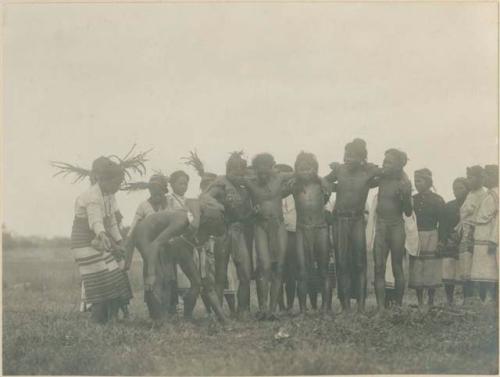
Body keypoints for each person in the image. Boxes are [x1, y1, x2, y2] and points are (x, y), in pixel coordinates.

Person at [131, 197, 229, 325]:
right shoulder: (185, 221)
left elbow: (208, 285)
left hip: (175, 243)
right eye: (208, 233)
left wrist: (224, 320)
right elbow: (156, 244)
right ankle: (158, 319)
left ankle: (187, 317)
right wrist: (151, 274)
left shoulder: (202, 231)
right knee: (159, 278)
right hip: (150, 236)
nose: (208, 237)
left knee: (198, 282)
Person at [67, 157, 133, 324]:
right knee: (100, 281)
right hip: (84, 242)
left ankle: (109, 318)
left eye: (119, 184)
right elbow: (95, 220)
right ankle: (98, 322)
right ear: (103, 179)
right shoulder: (91, 195)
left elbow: (111, 221)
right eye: (116, 184)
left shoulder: (109, 195)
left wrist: (119, 242)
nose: (118, 188)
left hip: (98, 240)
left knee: (115, 277)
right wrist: (103, 236)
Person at [326, 138, 381, 313]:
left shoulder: (368, 172)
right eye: (346, 155)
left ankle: (361, 306)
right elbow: (323, 180)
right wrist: (330, 190)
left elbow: (388, 173)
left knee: (359, 263)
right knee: (342, 263)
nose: (348, 159)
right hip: (340, 220)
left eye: (353, 156)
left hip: (357, 220)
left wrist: (370, 167)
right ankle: (346, 307)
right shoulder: (339, 171)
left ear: (361, 158)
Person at [202, 152, 254, 319]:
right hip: (222, 231)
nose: (237, 174)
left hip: (239, 231)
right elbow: (204, 198)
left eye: (241, 171)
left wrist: (253, 212)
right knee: (220, 273)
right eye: (233, 170)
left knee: (245, 272)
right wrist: (219, 206)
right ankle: (218, 312)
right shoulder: (220, 184)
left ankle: (243, 309)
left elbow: (247, 214)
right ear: (227, 170)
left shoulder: (245, 190)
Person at [289, 152, 332, 315]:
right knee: (302, 270)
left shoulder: (322, 184)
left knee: (323, 269)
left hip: (320, 228)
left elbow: (328, 188)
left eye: (309, 169)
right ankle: (302, 309)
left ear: (315, 169)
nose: (305, 172)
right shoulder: (294, 185)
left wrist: (319, 178)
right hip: (302, 229)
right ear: (296, 170)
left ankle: (326, 307)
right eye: (302, 169)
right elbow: (284, 187)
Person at [373, 149, 413, 312]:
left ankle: (398, 305)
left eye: (388, 162)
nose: (384, 164)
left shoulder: (404, 182)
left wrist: (405, 195)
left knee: (397, 266)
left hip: (396, 225)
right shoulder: (381, 177)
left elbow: (408, 212)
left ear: (399, 165)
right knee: (378, 266)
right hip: (381, 225)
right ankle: (381, 307)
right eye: (384, 161)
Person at [409, 169, 445, 307]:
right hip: (416, 236)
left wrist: (441, 241)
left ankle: (430, 300)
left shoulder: (437, 200)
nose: (417, 183)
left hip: (432, 235)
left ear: (428, 182)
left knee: (431, 267)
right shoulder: (413, 200)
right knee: (417, 267)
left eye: (419, 180)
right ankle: (420, 301)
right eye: (415, 180)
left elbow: (442, 222)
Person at [457, 165, 487, 304]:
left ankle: (480, 298)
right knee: (465, 264)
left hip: (476, 232)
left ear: (481, 178)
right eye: (468, 177)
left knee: (477, 265)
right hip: (466, 232)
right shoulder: (470, 194)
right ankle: (467, 297)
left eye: (472, 177)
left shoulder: (484, 195)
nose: (469, 180)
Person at [438, 177, 469, 305]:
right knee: (448, 270)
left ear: (467, 189)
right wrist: (443, 240)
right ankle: (449, 299)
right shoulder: (449, 206)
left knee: (465, 270)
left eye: (460, 188)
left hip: (466, 242)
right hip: (450, 242)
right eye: (454, 189)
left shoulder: (471, 205)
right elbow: (443, 225)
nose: (457, 191)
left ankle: (467, 299)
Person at [470, 165, 498, 303]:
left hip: (489, 234)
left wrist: (494, 239)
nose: (484, 178)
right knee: (481, 269)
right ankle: (483, 298)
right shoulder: (488, 193)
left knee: (490, 269)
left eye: (487, 174)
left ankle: (491, 297)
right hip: (481, 234)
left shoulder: (496, 193)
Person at [166, 170, 193, 312]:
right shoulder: (169, 199)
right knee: (174, 274)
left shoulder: (187, 201)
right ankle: (175, 307)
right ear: (172, 184)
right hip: (173, 240)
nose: (184, 186)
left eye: (186, 184)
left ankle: (184, 307)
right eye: (181, 183)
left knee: (185, 275)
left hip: (186, 241)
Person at [275, 163, 298, 313]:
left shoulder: (296, 193)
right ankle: (280, 305)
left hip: (294, 235)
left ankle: (289, 305)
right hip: (276, 235)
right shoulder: (274, 193)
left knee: (291, 272)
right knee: (277, 271)